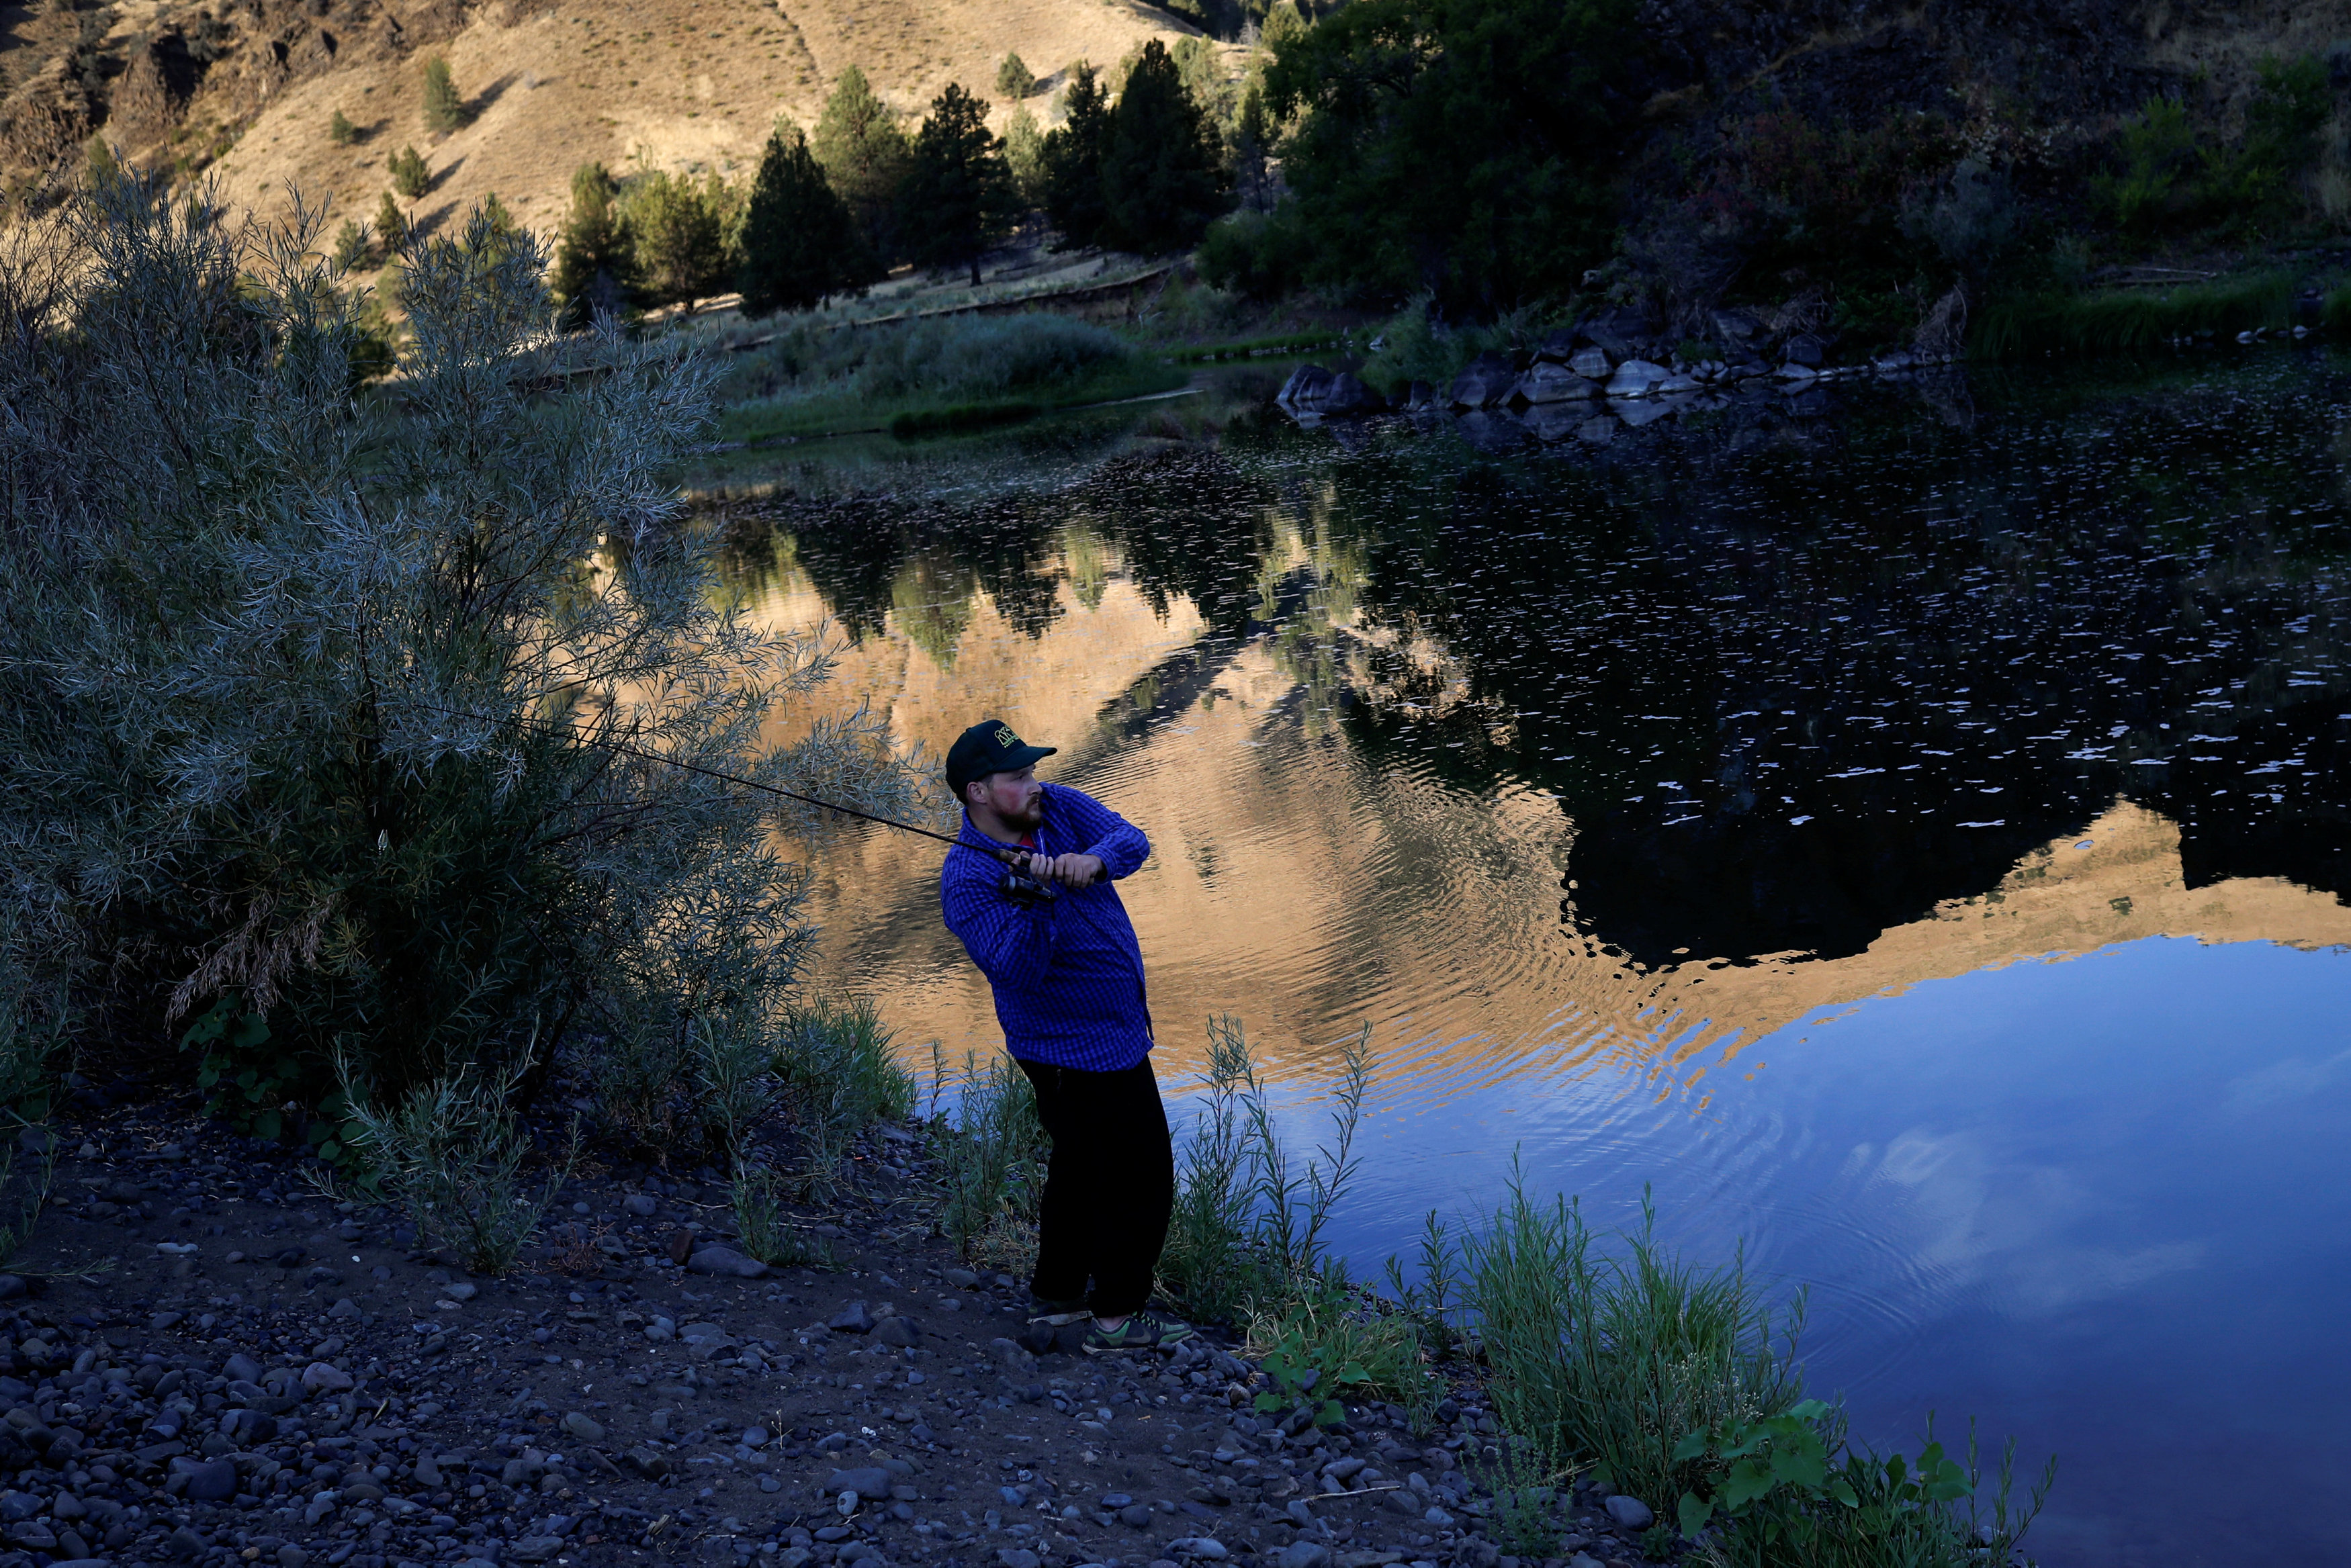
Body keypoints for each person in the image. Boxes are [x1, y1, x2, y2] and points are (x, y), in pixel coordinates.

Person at [937, 717, 1193, 1352]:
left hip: (1117, 1029)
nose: (1033, 783)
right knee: (1140, 1172)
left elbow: (1131, 839)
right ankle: (1116, 1314)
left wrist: (1092, 860)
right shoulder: (967, 882)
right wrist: (1038, 898)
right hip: (1069, 1050)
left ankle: (1056, 1293)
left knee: (1080, 1163)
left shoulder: (1056, 809)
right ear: (977, 791)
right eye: (1017, 775)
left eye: (1031, 769)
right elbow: (1018, 973)